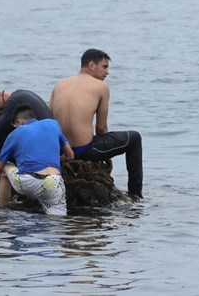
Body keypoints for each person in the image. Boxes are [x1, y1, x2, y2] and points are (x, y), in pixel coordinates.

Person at [49, 49, 143, 198]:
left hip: (62, 150)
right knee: (135, 138)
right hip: (84, 150)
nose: (107, 72)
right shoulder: (101, 87)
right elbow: (101, 128)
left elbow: (49, 120)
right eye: (104, 67)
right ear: (91, 65)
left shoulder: (60, 84)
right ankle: (136, 194)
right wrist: (106, 154)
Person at [0, 106, 74, 216]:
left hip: (29, 181)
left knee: (5, 167)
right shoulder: (53, 124)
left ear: (19, 122)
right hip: (55, 182)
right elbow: (70, 155)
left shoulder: (16, 133)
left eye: (15, 125)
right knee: (56, 222)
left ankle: (1, 209)